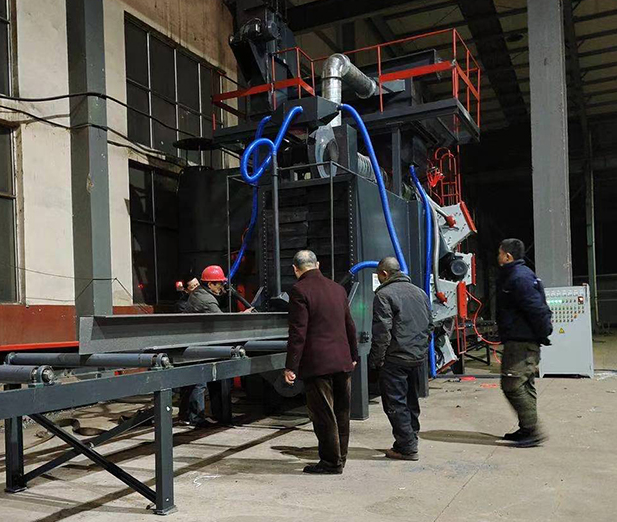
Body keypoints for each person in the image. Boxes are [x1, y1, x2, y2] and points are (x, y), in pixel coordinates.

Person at [284, 250, 358, 475]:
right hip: (342, 360)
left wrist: (291, 366)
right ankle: (340, 457)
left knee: (323, 414)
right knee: (342, 412)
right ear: (317, 264)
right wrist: (353, 355)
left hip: (318, 364)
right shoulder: (337, 289)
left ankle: (330, 463)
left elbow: (298, 332)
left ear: (295, 269)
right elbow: (349, 325)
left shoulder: (299, 290)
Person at [369, 257, 433, 461]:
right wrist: (421, 350)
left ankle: (407, 447)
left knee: (395, 404)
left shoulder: (384, 295)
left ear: (384, 274)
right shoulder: (420, 292)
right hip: (417, 357)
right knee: (411, 401)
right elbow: (430, 325)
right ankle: (409, 439)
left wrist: (376, 361)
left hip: (395, 358)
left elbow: (382, 333)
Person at [496, 238, 553, 447]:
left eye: (499, 253)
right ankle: (526, 428)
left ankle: (532, 431)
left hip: (521, 342)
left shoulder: (519, 278)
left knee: (512, 385)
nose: (497, 257)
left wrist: (543, 332)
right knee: (525, 384)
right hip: (520, 339)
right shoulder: (519, 275)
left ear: (507, 256)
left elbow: (536, 309)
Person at [179, 265, 228, 427]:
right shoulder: (206, 299)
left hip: (193, 343)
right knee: (199, 381)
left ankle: (189, 415)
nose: (221, 287)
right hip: (195, 346)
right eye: (219, 283)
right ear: (210, 284)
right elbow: (223, 322)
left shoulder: (199, 293)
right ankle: (196, 418)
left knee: (196, 382)